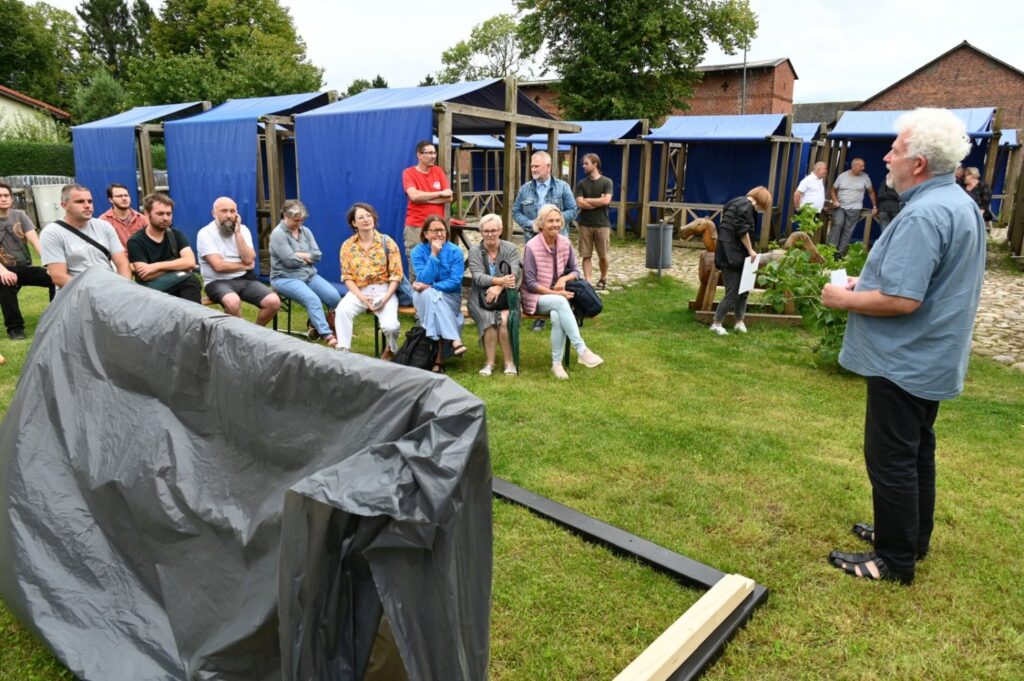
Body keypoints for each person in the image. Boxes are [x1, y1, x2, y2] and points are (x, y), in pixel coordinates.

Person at [821, 108, 985, 585]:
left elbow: (903, 299)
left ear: (916, 163)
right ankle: (911, 537)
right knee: (915, 452)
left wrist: (844, 298)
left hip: (905, 359)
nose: (886, 157)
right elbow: (922, 282)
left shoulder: (926, 213)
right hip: (930, 356)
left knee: (891, 456)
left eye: (894, 149)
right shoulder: (955, 202)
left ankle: (893, 560)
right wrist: (864, 279)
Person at [521, 204, 604, 380]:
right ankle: (581, 349)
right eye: (550, 221)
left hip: (558, 297)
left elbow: (575, 271)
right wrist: (555, 293)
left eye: (558, 220)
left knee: (558, 315)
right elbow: (530, 283)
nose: (555, 224)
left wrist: (563, 280)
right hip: (535, 298)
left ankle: (556, 364)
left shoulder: (565, 243)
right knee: (560, 302)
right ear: (541, 224)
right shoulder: (531, 247)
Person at [513, 150, 577, 331]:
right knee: (536, 277)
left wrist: (554, 222)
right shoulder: (525, 188)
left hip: (557, 241)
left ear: (548, 166)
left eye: (536, 166)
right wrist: (531, 224)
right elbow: (516, 211)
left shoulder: (562, 187)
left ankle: (562, 310)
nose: (532, 169)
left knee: (556, 276)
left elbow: (573, 209)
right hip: (533, 240)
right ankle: (540, 315)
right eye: (531, 166)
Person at [196, 196, 281, 325]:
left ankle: (254, 334)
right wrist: (245, 266)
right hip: (217, 281)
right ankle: (240, 335)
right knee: (233, 302)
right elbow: (218, 266)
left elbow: (249, 258)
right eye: (224, 211)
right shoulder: (206, 233)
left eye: (232, 211)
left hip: (245, 279)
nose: (229, 215)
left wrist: (238, 233)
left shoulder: (243, 230)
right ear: (214, 213)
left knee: (273, 302)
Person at [268, 199, 341, 347]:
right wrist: (307, 257)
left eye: (301, 220)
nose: (299, 223)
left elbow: (318, 255)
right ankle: (328, 335)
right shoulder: (278, 234)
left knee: (334, 297)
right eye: (296, 221)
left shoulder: (306, 231)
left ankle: (317, 324)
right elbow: (289, 262)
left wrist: (299, 254)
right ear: (285, 216)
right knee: (312, 299)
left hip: (309, 275)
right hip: (284, 277)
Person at [335, 203, 403, 357]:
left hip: (385, 290)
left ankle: (391, 349)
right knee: (342, 311)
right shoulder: (347, 246)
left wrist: (386, 297)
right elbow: (347, 277)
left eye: (368, 215)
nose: (366, 219)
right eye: (361, 217)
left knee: (390, 327)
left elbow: (396, 274)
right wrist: (363, 298)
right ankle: (343, 352)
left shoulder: (387, 242)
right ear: (354, 223)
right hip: (359, 291)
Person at [40, 183, 131, 289]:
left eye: (90, 201)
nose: (87, 205)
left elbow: (123, 263)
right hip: (76, 295)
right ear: (64, 205)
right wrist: (96, 291)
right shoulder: (52, 233)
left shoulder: (104, 226)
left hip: (109, 291)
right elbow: (59, 276)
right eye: (80, 202)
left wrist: (125, 288)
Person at [709, 187, 771, 336]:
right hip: (732, 257)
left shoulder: (737, 202)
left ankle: (739, 321)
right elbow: (742, 231)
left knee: (743, 291)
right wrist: (751, 250)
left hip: (735, 255)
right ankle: (716, 324)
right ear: (761, 202)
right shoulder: (746, 207)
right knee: (733, 293)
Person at [410, 215, 467, 373]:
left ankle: (437, 361)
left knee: (432, 300)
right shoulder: (417, 252)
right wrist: (434, 255)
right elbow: (423, 278)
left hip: (450, 296)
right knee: (429, 297)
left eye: (441, 230)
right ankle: (454, 340)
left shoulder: (455, 251)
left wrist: (431, 287)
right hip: (421, 295)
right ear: (426, 234)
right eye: (434, 231)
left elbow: (455, 282)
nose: (439, 234)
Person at [466, 213, 520, 376]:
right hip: (479, 296)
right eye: (486, 231)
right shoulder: (475, 251)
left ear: (500, 230)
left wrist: (499, 287)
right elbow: (478, 277)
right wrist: (500, 281)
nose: (490, 234)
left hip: (506, 295)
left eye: (493, 230)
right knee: (489, 320)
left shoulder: (509, 248)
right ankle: (489, 363)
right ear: (481, 232)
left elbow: (515, 272)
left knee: (504, 320)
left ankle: (509, 363)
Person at [126, 193, 201, 303]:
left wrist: (155, 266)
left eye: (169, 214)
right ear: (147, 214)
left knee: (190, 281)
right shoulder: (136, 241)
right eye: (160, 214)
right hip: (152, 291)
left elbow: (190, 262)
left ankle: (194, 318)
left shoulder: (176, 234)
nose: (165, 218)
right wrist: (178, 265)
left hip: (178, 283)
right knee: (189, 279)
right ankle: (195, 318)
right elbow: (145, 275)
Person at [0, 181, 52, 340]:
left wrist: (50, 265)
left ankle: (55, 318)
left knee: (54, 277)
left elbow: (36, 242)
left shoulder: (20, 215)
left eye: (6, 195)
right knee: (5, 283)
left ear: (11, 198)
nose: (3, 199)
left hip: (23, 267)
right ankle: (15, 328)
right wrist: (3, 271)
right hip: (2, 270)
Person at [402, 140, 452, 277]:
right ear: (419, 155)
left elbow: (449, 197)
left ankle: (435, 296)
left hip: (438, 227)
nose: (433, 156)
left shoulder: (438, 171)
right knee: (416, 265)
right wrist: (439, 194)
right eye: (429, 153)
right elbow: (413, 195)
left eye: (434, 153)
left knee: (439, 262)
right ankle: (417, 297)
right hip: (416, 226)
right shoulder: (409, 172)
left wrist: (424, 197)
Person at [574, 152, 613, 290]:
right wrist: (599, 201)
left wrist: (588, 199)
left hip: (602, 225)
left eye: (586, 163)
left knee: (603, 256)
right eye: (583, 164)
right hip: (585, 224)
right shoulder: (581, 184)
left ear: (595, 164)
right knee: (586, 255)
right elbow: (579, 203)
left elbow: (607, 200)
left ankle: (603, 278)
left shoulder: (607, 182)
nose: (583, 166)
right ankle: (588, 282)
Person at [828, 158, 878, 256]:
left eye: (864, 166)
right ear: (854, 166)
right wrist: (835, 201)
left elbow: (871, 192)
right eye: (861, 166)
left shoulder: (865, 177)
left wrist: (875, 206)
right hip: (840, 206)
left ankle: (840, 254)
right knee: (838, 224)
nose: (863, 168)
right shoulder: (842, 176)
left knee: (848, 230)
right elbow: (833, 190)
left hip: (855, 208)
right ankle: (830, 249)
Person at [99, 183, 149, 248]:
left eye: (126, 195)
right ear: (111, 200)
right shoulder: (103, 221)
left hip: (140, 257)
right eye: (119, 196)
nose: (124, 198)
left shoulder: (142, 219)